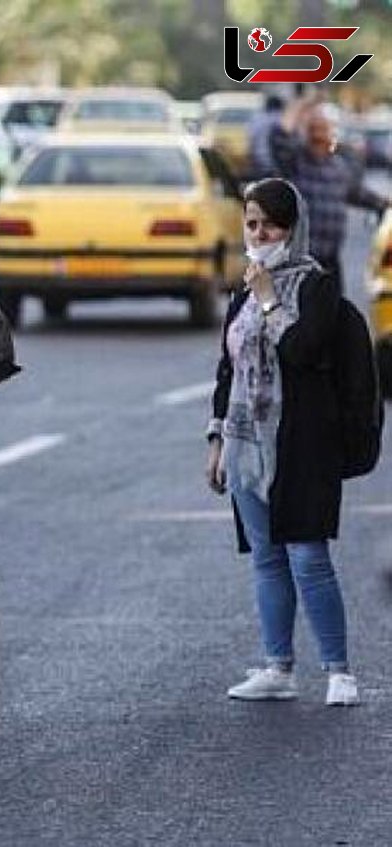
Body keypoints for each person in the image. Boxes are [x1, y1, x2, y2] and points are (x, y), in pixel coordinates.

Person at [205, 178, 359, 707]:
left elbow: (303, 351)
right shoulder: (242, 287)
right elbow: (229, 369)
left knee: (308, 557)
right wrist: (217, 440)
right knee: (267, 558)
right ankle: (278, 668)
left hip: (301, 443)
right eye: (252, 223)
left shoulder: (316, 285)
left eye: (272, 223)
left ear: (294, 228)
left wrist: (271, 301)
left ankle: (340, 672)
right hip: (248, 444)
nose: (261, 232)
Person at [270, 97, 390, 277]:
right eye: (313, 130)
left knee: (333, 305)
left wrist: (386, 204)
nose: (318, 136)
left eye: (322, 130)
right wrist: (302, 105)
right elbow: (280, 137)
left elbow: (358, 195)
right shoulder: (296, 163)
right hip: (300, 262)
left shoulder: (338, 168)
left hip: (330, 262)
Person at [246, 94, 284, 181]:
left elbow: (251, 142)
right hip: (275, 165)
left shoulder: (256, 119)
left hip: (258, 163)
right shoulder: (279, 119)